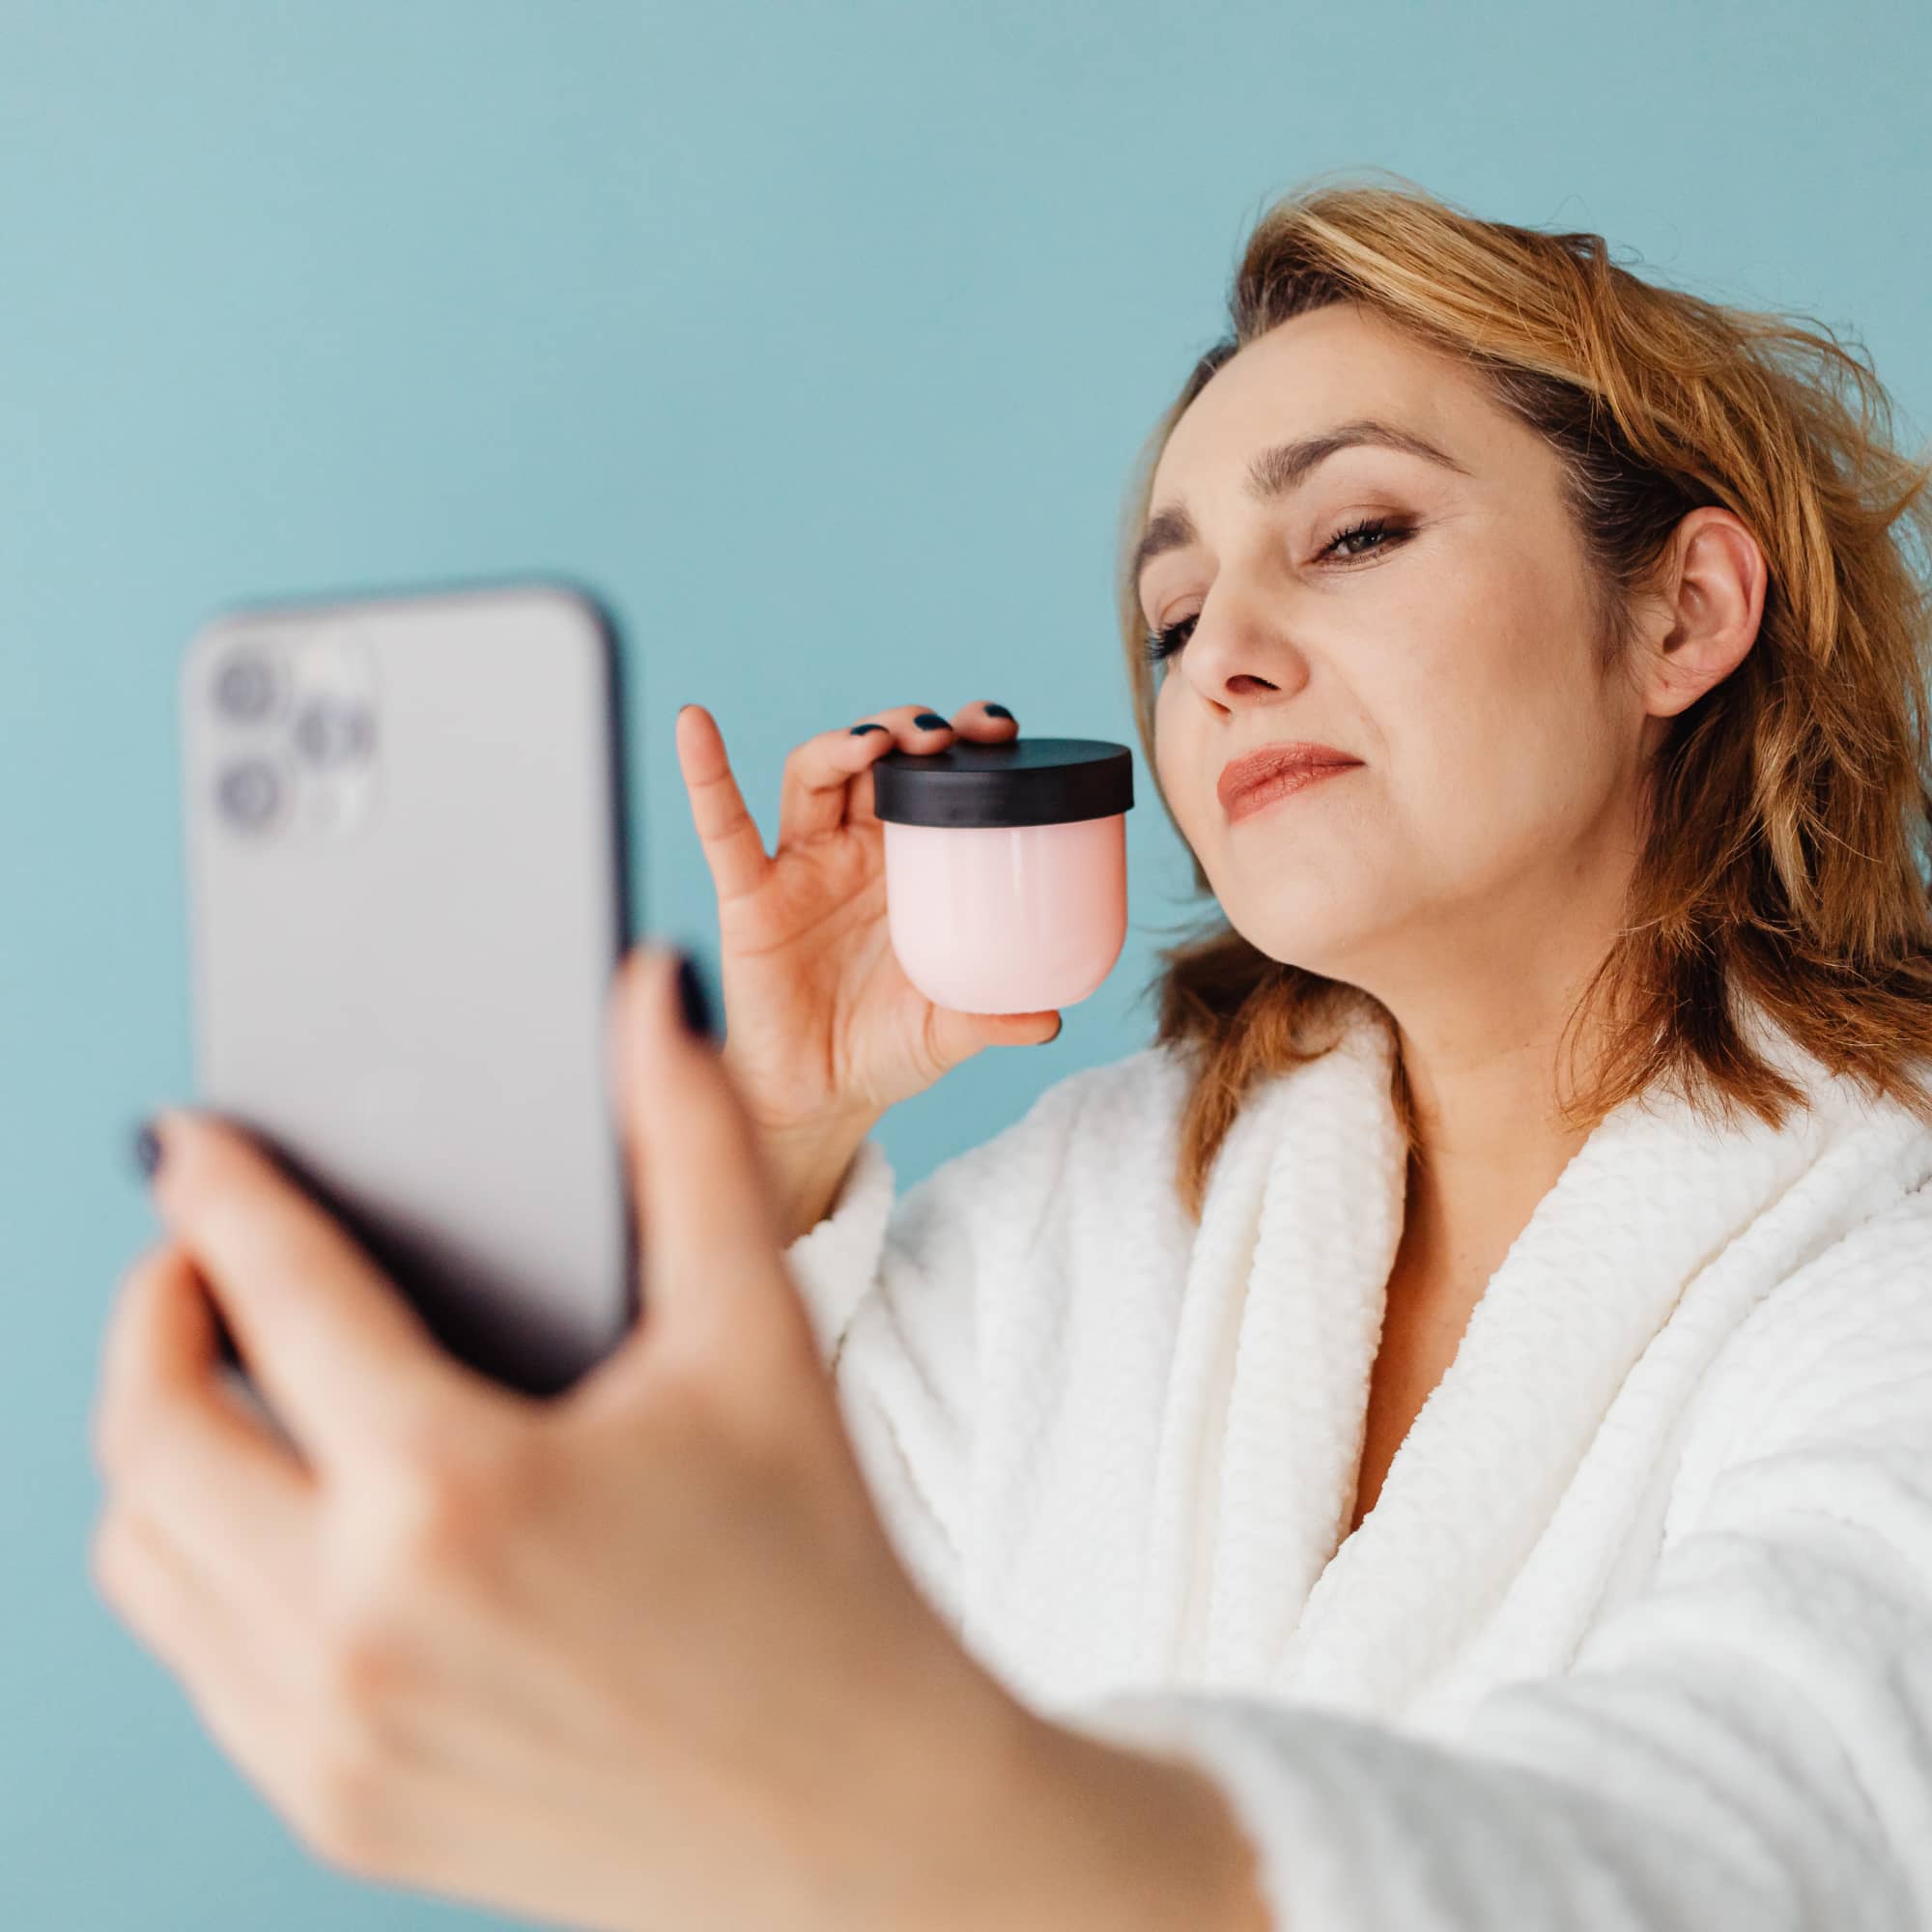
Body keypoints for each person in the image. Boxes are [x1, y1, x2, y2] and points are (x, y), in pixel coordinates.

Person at [93, 174, 1932, 1930]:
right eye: (1174, 612)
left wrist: (934, 1827)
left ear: (1681, 611)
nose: (1222, 658)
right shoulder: (1112, 1202)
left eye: (1355, 534)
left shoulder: (1885, 1247)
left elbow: (1792, 1828)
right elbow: (703, 1608)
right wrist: (780, 1131)